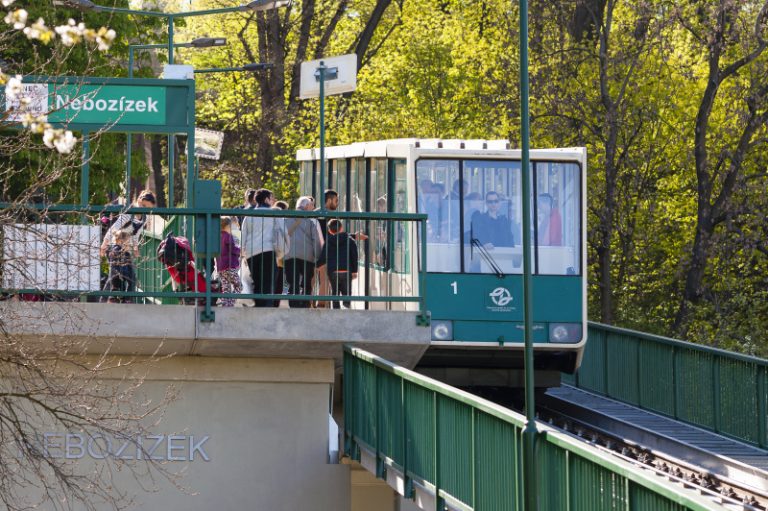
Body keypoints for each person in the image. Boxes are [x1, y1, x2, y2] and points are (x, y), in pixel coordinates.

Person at [241, 188, 289, 307]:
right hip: (268, 250)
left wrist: (243, 252)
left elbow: (244, 235)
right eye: (271, 198)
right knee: (268, 282)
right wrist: (284, 250)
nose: (273, 201)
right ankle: (266, 307)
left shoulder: (249, 215)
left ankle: (258, 306)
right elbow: (283, 232)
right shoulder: (273, 214)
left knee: (256, 281)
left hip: (252, 252)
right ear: (266, 199)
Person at [284, 196, 322, 308]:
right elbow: (316, 239)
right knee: (306, 282)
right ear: (306, 206)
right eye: (311, 205)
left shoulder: (286, 218)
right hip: (307, 256)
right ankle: (305, 304)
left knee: (293, 282)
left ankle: (294, 304)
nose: (313, 208)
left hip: (290, 255)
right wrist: (317, 256)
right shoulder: (312, 220)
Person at [317, 219, 358, 309]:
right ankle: (346, 306)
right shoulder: (350, 240)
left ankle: (336, 310)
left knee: (335, 291)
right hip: (346, 270)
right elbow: (354, 256)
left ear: (329, 230)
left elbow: (323, 256)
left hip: (333, 271)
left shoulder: (328, 242)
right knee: (346, 292)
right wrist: (354, 271)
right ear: (341, 228)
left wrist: (317, 266)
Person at [216, 216, 241, 307]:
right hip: (230, 266)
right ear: (227, 226)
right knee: (239, 286)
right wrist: (240, 250)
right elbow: (233, 249)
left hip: (220, 267)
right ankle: (231, 302)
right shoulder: (228, 236)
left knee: (226, 288)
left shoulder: (218, 236)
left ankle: (226, 304)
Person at [104, 229, 135, 303]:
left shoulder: (125, 252)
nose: (129, 244)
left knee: (127, 284)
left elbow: (129, 264)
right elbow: (114, 262)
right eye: (127, 242)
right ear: (120, 241)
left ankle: (124, 298)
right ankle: (116, 298)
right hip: (117, 274)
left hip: (123, 273)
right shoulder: (116, 249)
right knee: (116, 286)